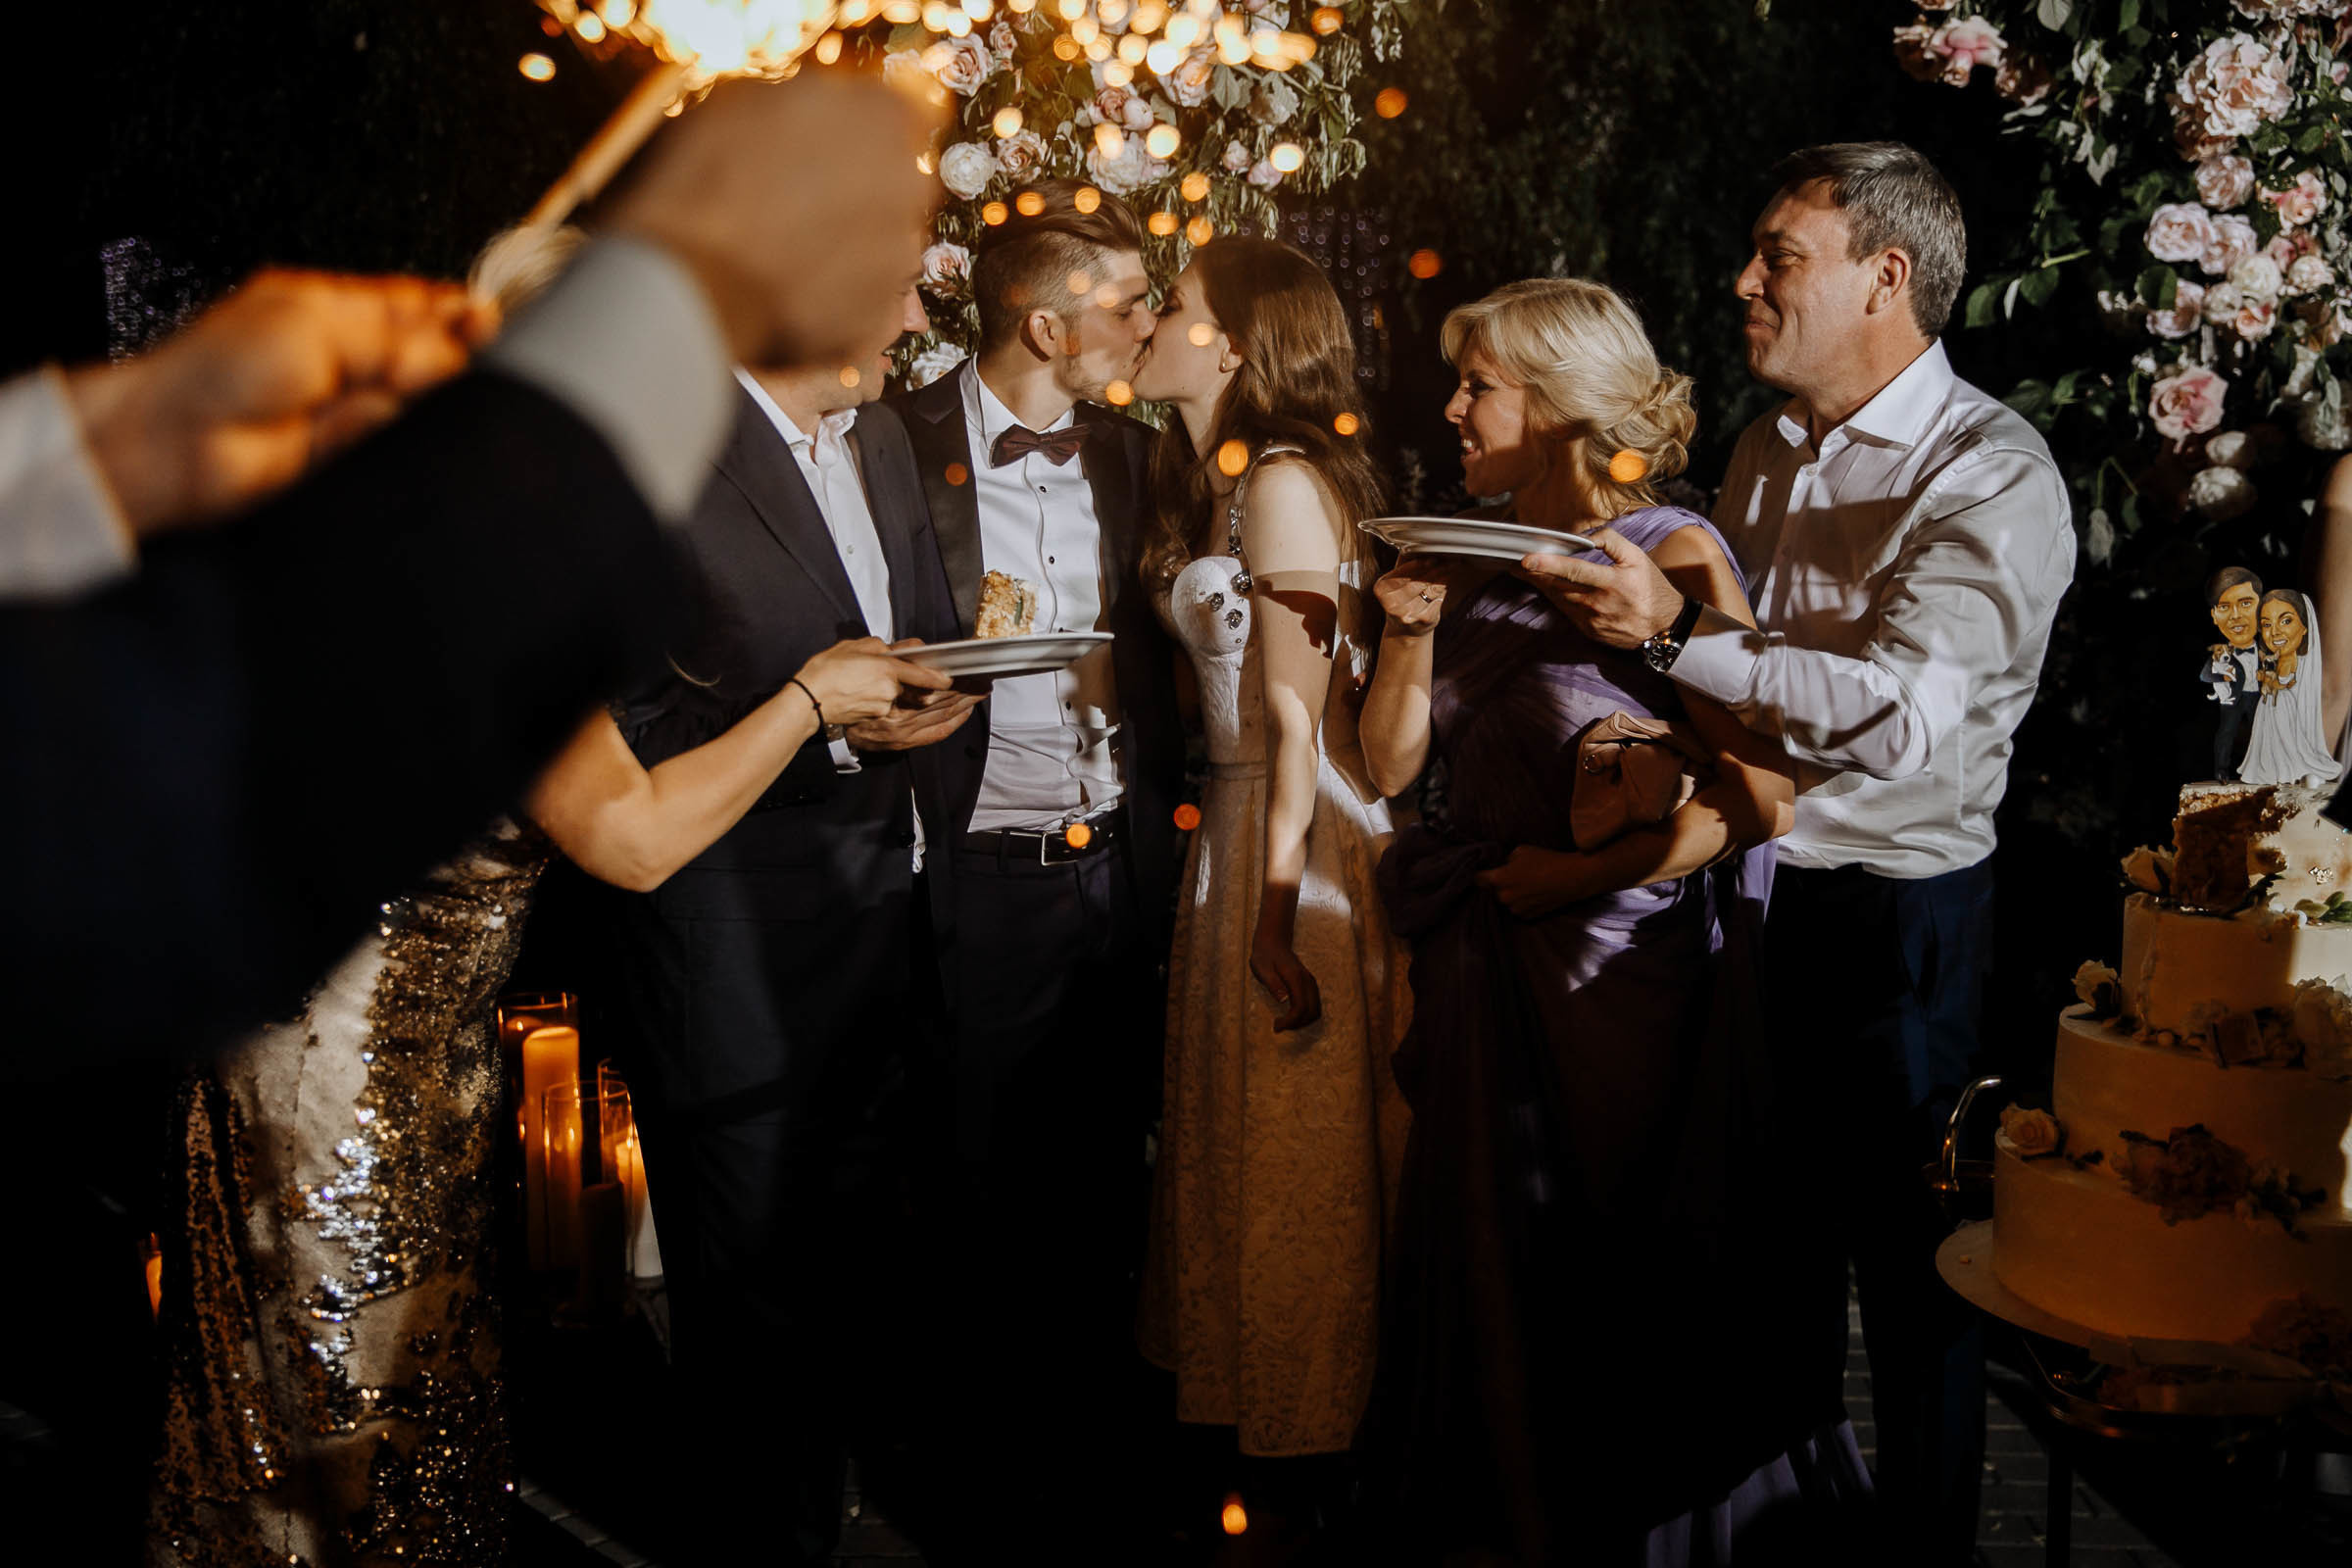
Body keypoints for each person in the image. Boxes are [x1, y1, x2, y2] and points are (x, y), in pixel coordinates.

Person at [142, 227, 951, 1568]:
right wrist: (813, 698)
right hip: (337, 1059)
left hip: (418, 1040)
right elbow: (624, 840)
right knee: (352, 1415)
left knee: (389, 1397)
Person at [0, 68, 945, 1060]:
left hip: (458, 1040)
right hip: (339, 1056)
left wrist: (132, 428)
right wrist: (688, 273)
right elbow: (166, 815)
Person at [1516, 143, 2076, 1563]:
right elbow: (1733, 682)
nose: (1743, 280)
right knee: (1757, 1271)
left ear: (1887, 275)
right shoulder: (1766, 455)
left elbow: (1902, 718)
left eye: (1780, 256)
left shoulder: (1991, 470)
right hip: (1746, 895)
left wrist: (1667, 635)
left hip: (1898, 929)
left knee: (1915, 1292)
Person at [1355, 277, 1841, 1565]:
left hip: (1624, 996)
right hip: (1485, 979)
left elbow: (1768, 797)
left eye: (1479, 386)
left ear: (1562, 407)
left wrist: (1575, 882)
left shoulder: (1673, 556)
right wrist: (1405, 638)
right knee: (1499, 1280)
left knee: (1614, 1281)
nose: (1451, 408)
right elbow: (1393, 769)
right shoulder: (1460, 550)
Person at [576, 262, 967, 1566]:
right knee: (745, 1331)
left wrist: (926, 700)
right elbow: (632, 744)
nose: (917, 322)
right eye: (900, 291)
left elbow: (911, 638)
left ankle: (830, 1522)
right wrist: (828, 727)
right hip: (728, 952)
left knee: (850, 1305)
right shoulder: (660, 456)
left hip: (880, 921)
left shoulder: (891, 448)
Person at [885, 176, 1182, 1553]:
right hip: (977, 875)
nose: (1148, 325)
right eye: (1126, 306)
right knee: (974, 1190)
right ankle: (970, 1488)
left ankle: (1100, 1475)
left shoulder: (1135, 459)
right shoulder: (897, 446)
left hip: (1113, 868)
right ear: (1044, 323)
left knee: (1105, 1183)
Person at [1126, 239, 1411, 1502]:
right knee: (1254, 1142)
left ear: (1236, 342)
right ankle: (1262, 1422)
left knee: (1301, 1147)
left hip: (1295, 833)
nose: (1145, 322)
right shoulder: (1213, 481)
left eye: (1172, 307)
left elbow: (1300, 719)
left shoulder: (1287, 480)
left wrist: (1278, 914)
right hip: (1237, 825)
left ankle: (1316, 1448)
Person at [2242, 587, 2336, 787]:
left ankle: (2289, 769)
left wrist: (2272, 682)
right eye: (2266, 624)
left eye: (2286, 621)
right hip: (2270, 706)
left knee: (2285, 741)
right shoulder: (2274, 658)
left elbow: (2288, 682)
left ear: (2304, 627)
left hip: (2284, 707)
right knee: (2268, 744)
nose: (2275, 631)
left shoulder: (2292, 660)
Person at [2201, 565, 2264, 780]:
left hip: (2259, 697)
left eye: (2245, 604)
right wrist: (2222, 677)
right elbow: (2205, 675)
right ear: (2214, 616)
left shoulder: (2269, 649)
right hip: (2231, 699)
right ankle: (2222, 770)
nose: (2236, 616)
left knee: (2263, 733)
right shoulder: (2221, 653)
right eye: (2225, 607)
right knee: (2227, 733)